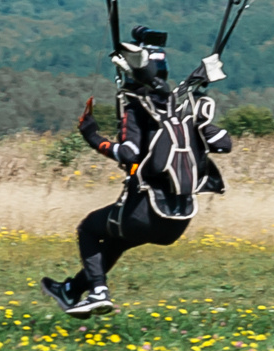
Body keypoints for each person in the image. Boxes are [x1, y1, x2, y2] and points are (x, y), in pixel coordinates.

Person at [40, 26, 233, 318]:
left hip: (143, 211)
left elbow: (127, 153)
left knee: (89, 229)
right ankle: (69, 291)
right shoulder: (181, 106)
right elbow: (224, 144)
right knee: (116, 240)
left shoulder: (136, 107)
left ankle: (98, 292)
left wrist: (92, 135)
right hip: (178, 219)